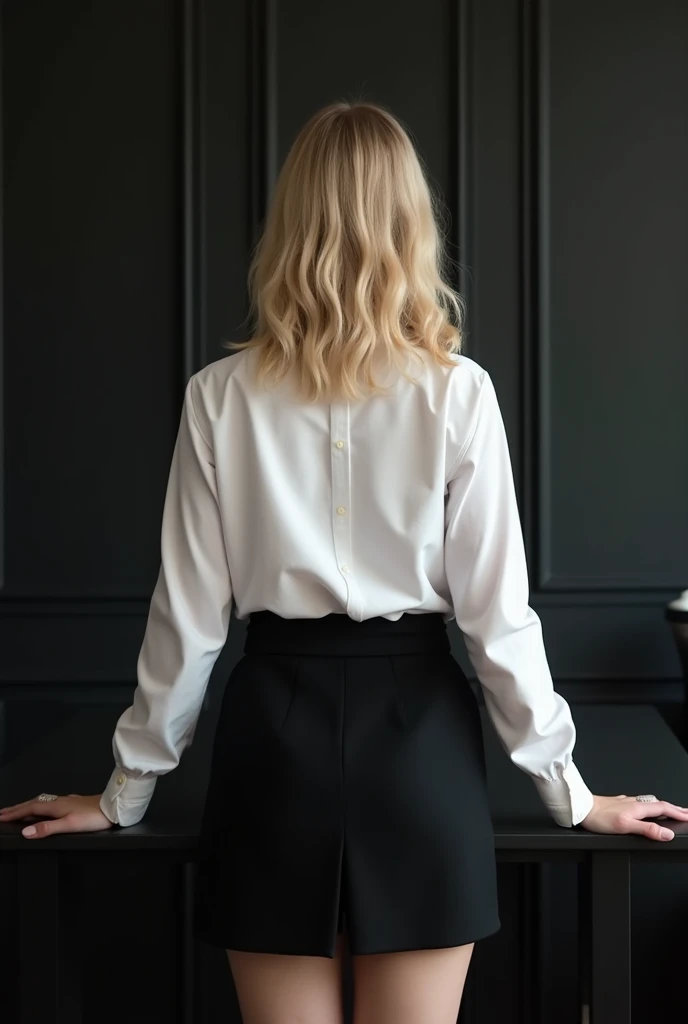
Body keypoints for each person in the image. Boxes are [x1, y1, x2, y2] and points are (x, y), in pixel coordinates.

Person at [2, 101, 686, 1024]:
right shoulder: (459, 392)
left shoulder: (219, 398)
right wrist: (570, 793)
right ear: (412, 225)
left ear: (288, 225)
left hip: (272, 739)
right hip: (421, 748)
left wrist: (125, 794)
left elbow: (189, 621)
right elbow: (496, 619)